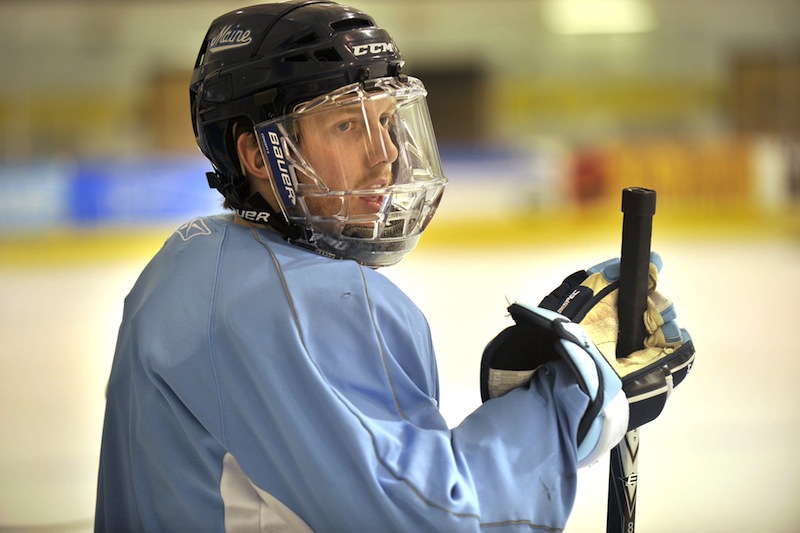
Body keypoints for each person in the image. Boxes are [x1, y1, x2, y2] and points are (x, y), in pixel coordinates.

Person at [95, 2, 695, 531]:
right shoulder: (295, 303)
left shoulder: (195, 261)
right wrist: (571, 399)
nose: (384, 156)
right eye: (346, 124)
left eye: (386, 121)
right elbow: (441, 519)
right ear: (258, 154)